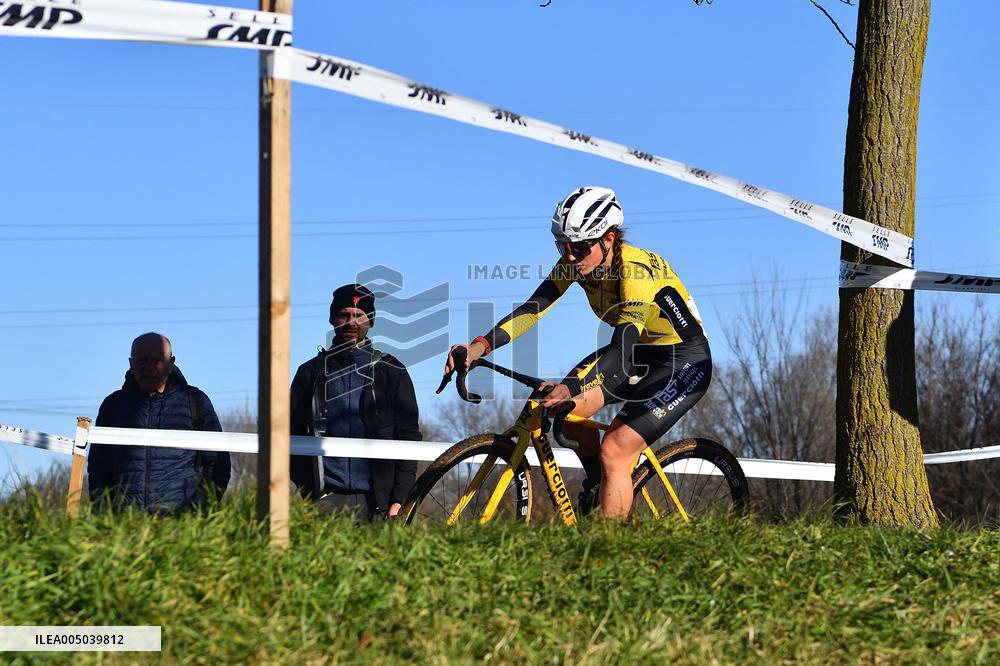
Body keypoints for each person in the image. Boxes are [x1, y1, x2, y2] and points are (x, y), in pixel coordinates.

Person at [446, 186, 712, 519]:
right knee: (567, 418)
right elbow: (533, 309)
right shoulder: (576, 264)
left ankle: (607, 549)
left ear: (609, 240)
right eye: (563, 246)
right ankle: (605, 487)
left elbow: (620, 351)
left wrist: (571, 386)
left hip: (683, 361)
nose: (570, 256)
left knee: (614, 449)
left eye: (580, 247)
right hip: (640, 353)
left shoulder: (636, 275)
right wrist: (479, 346)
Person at [289, 284, 419, 521]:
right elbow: (290, 435)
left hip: (379, 505)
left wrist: (399, 499)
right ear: (333, 319)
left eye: (359, 315)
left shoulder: (392, 370)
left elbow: (408, 438)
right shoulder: (310, 372)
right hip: (323, 502)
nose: (351, 322)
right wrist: (309, 493)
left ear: (370, 321)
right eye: (344, 315)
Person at [88, 332, 230, 513]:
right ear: (131, 364)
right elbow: (98, 468)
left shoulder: (196, 402)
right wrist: (105, 517)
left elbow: (218, 464)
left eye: (156, 360)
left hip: (182, 529)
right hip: (124, 528)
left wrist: (198, 512)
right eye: (141, 360)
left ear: (171, 364)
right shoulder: (113, 406)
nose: (148, 367)